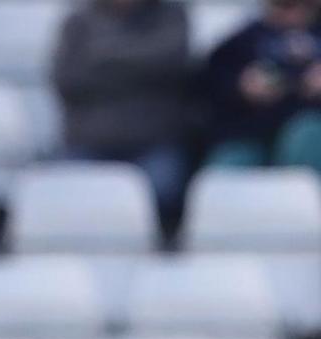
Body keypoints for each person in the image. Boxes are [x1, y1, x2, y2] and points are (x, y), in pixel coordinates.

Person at [53, 0, 191, 233]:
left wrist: (103, 56)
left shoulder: (171, 17)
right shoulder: (77, 23)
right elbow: (69, 80)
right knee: (63, 193)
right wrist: (140, 65)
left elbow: (170, 64)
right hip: (89, 144)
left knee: (165, 188)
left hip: (154, 144)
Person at [204, 0, 321, 170]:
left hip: (307, 131)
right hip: (254, 134)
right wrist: (241, 86)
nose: (293, 12)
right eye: (284, 5)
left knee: (307, 134)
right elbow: (207, 88)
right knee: (227, 163)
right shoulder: (243, 41)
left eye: (302, 4)